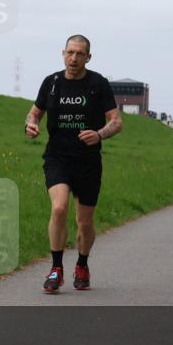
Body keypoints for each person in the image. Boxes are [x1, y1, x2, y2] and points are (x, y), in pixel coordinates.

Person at [25, 35, 122, 294]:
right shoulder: (52, 83)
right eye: (70, 52)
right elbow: (35, 111)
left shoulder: (98, 84)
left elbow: (116, 121)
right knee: (59, 208)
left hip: (88, 161)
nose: (74, 58)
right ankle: (56, 268)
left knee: (84, 222)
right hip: (58, 157)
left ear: (88, 57)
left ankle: (82, 264)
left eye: (80, 54)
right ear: (63, 53)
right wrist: (31, 124)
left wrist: (99, 134)